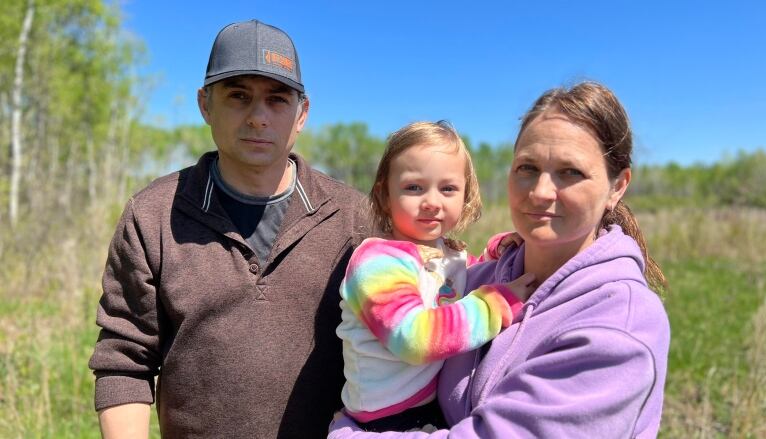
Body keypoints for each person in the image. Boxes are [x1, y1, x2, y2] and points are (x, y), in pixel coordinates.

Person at [329, 81, 671, 438]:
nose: (540, 192)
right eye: (527, 167)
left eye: (571, 172)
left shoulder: (618, 326)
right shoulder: (483, 279)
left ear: (617, 186)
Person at [89, 19, 370, 437]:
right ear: (206, 104)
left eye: (277, 99)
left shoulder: (353, 218)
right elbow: (124, 362)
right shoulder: (154, 215)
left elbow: (402, 338)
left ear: (302, 114)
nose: (258, 117)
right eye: (238, 96)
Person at [336, 121, 534, 432]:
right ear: (385, 195)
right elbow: (413, 338)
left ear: (465, 196)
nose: (432, 201)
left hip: (427, 406)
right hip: (384, 417)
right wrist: (494, 305)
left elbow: (460, 280)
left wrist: (499, 253)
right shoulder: (379, 261)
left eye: (448, 188)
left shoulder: (449, 255)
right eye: (414, 187)